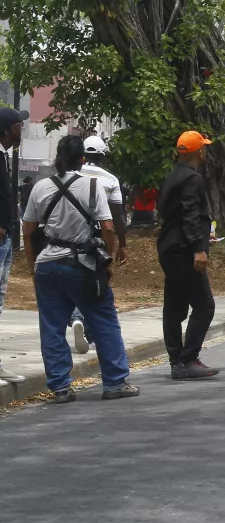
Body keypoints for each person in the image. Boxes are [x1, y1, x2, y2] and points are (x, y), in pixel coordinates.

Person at [22, 134, 138, 402]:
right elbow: (108, 228)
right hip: (83, 265)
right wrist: (107, 260)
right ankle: (114, 383)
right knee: (103, 321)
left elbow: (28, 232)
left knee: (51, 327)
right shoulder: (92, 187)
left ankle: (61, 388)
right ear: (82, 159)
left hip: (47, 266)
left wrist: (32, 268)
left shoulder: (40, 187)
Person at [157, 130, 221, 381]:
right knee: (204, 305)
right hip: (184, 250)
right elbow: (190, 213)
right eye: (204, 148)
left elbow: (173, 214)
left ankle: (177, 362)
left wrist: (203, 236)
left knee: (174, 307)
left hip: (169, 247)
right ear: (199, 152)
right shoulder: (193, 179)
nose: (206, 151)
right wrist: (198, 247)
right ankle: (188, 358)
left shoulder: (171, 176)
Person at [67, 135, 129, 357]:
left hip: (72, 237)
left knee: (75, 279)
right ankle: (88, 328)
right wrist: (121, 245)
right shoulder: (111, 180)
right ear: (103, 156)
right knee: (97, 281)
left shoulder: (72, 175)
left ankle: (76, 319)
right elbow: (117, 217)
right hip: (99, 238)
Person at [0, 107, 29, 386]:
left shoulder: (4, 156)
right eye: (21, 125)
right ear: (10, 128)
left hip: (6, 239)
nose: (23, 130)